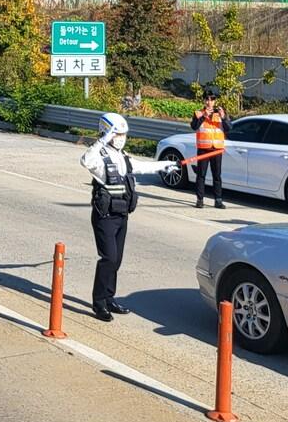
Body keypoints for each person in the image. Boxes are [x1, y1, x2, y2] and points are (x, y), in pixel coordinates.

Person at [80, 112, 172, 322]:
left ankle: (109, 298)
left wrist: (164, 165)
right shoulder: (99, 155)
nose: (121, 137)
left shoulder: (123, 156)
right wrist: (102, 140)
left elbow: (142, 166)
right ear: (107, 132)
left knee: (117, 260)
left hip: (122, 214)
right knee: (109, 258)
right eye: (117, 133)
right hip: (105, 216)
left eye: (123, 134)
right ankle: (99, 303)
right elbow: (85, 160)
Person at [190, 90, 231, 210]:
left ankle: (218, 200)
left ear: (215, 101)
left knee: (217, 175)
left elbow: (229, 128)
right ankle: (200, 199)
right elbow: (194, 126)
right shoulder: (198, 113)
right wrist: (204, 117)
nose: (209, 102)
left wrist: (223, 117)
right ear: (204, 100)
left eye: (212, 99)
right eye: (207, 99)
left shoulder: (220, 113)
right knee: (201, 175)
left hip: (217, 149)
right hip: (203, 148)